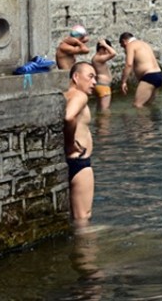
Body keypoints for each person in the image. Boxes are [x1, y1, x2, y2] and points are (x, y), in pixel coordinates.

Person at [63, 60, 98, 224]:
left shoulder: (64, 95)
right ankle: (87, 250)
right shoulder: (80, 96)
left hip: (69, 161)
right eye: (90, 77)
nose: (95, 82)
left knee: (75, 216)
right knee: (83, 217)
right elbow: (68, 117)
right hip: (80, 162)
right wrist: (71, 144)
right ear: (76, 77)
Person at [119, 33, 162, 107]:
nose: (124, 49)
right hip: (158, 74)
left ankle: (142, 119)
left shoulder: (130, 45)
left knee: (137, 105)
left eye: (123, 46)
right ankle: (154, 118)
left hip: (149, 77)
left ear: (124, 41)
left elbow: (129, 64)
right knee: (148, 104)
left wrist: (123, 81)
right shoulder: (144, 44)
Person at [91, 37, 117, 112]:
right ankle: (104, 124)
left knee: (100, 110)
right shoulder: (98, 58)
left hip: (101, 86)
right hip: (103, 86)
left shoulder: (97, 58)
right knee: (105, 111)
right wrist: (105, 44)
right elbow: (113, 53)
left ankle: (99, 123)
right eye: (106, 50)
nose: (107, 52)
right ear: (102, 48)